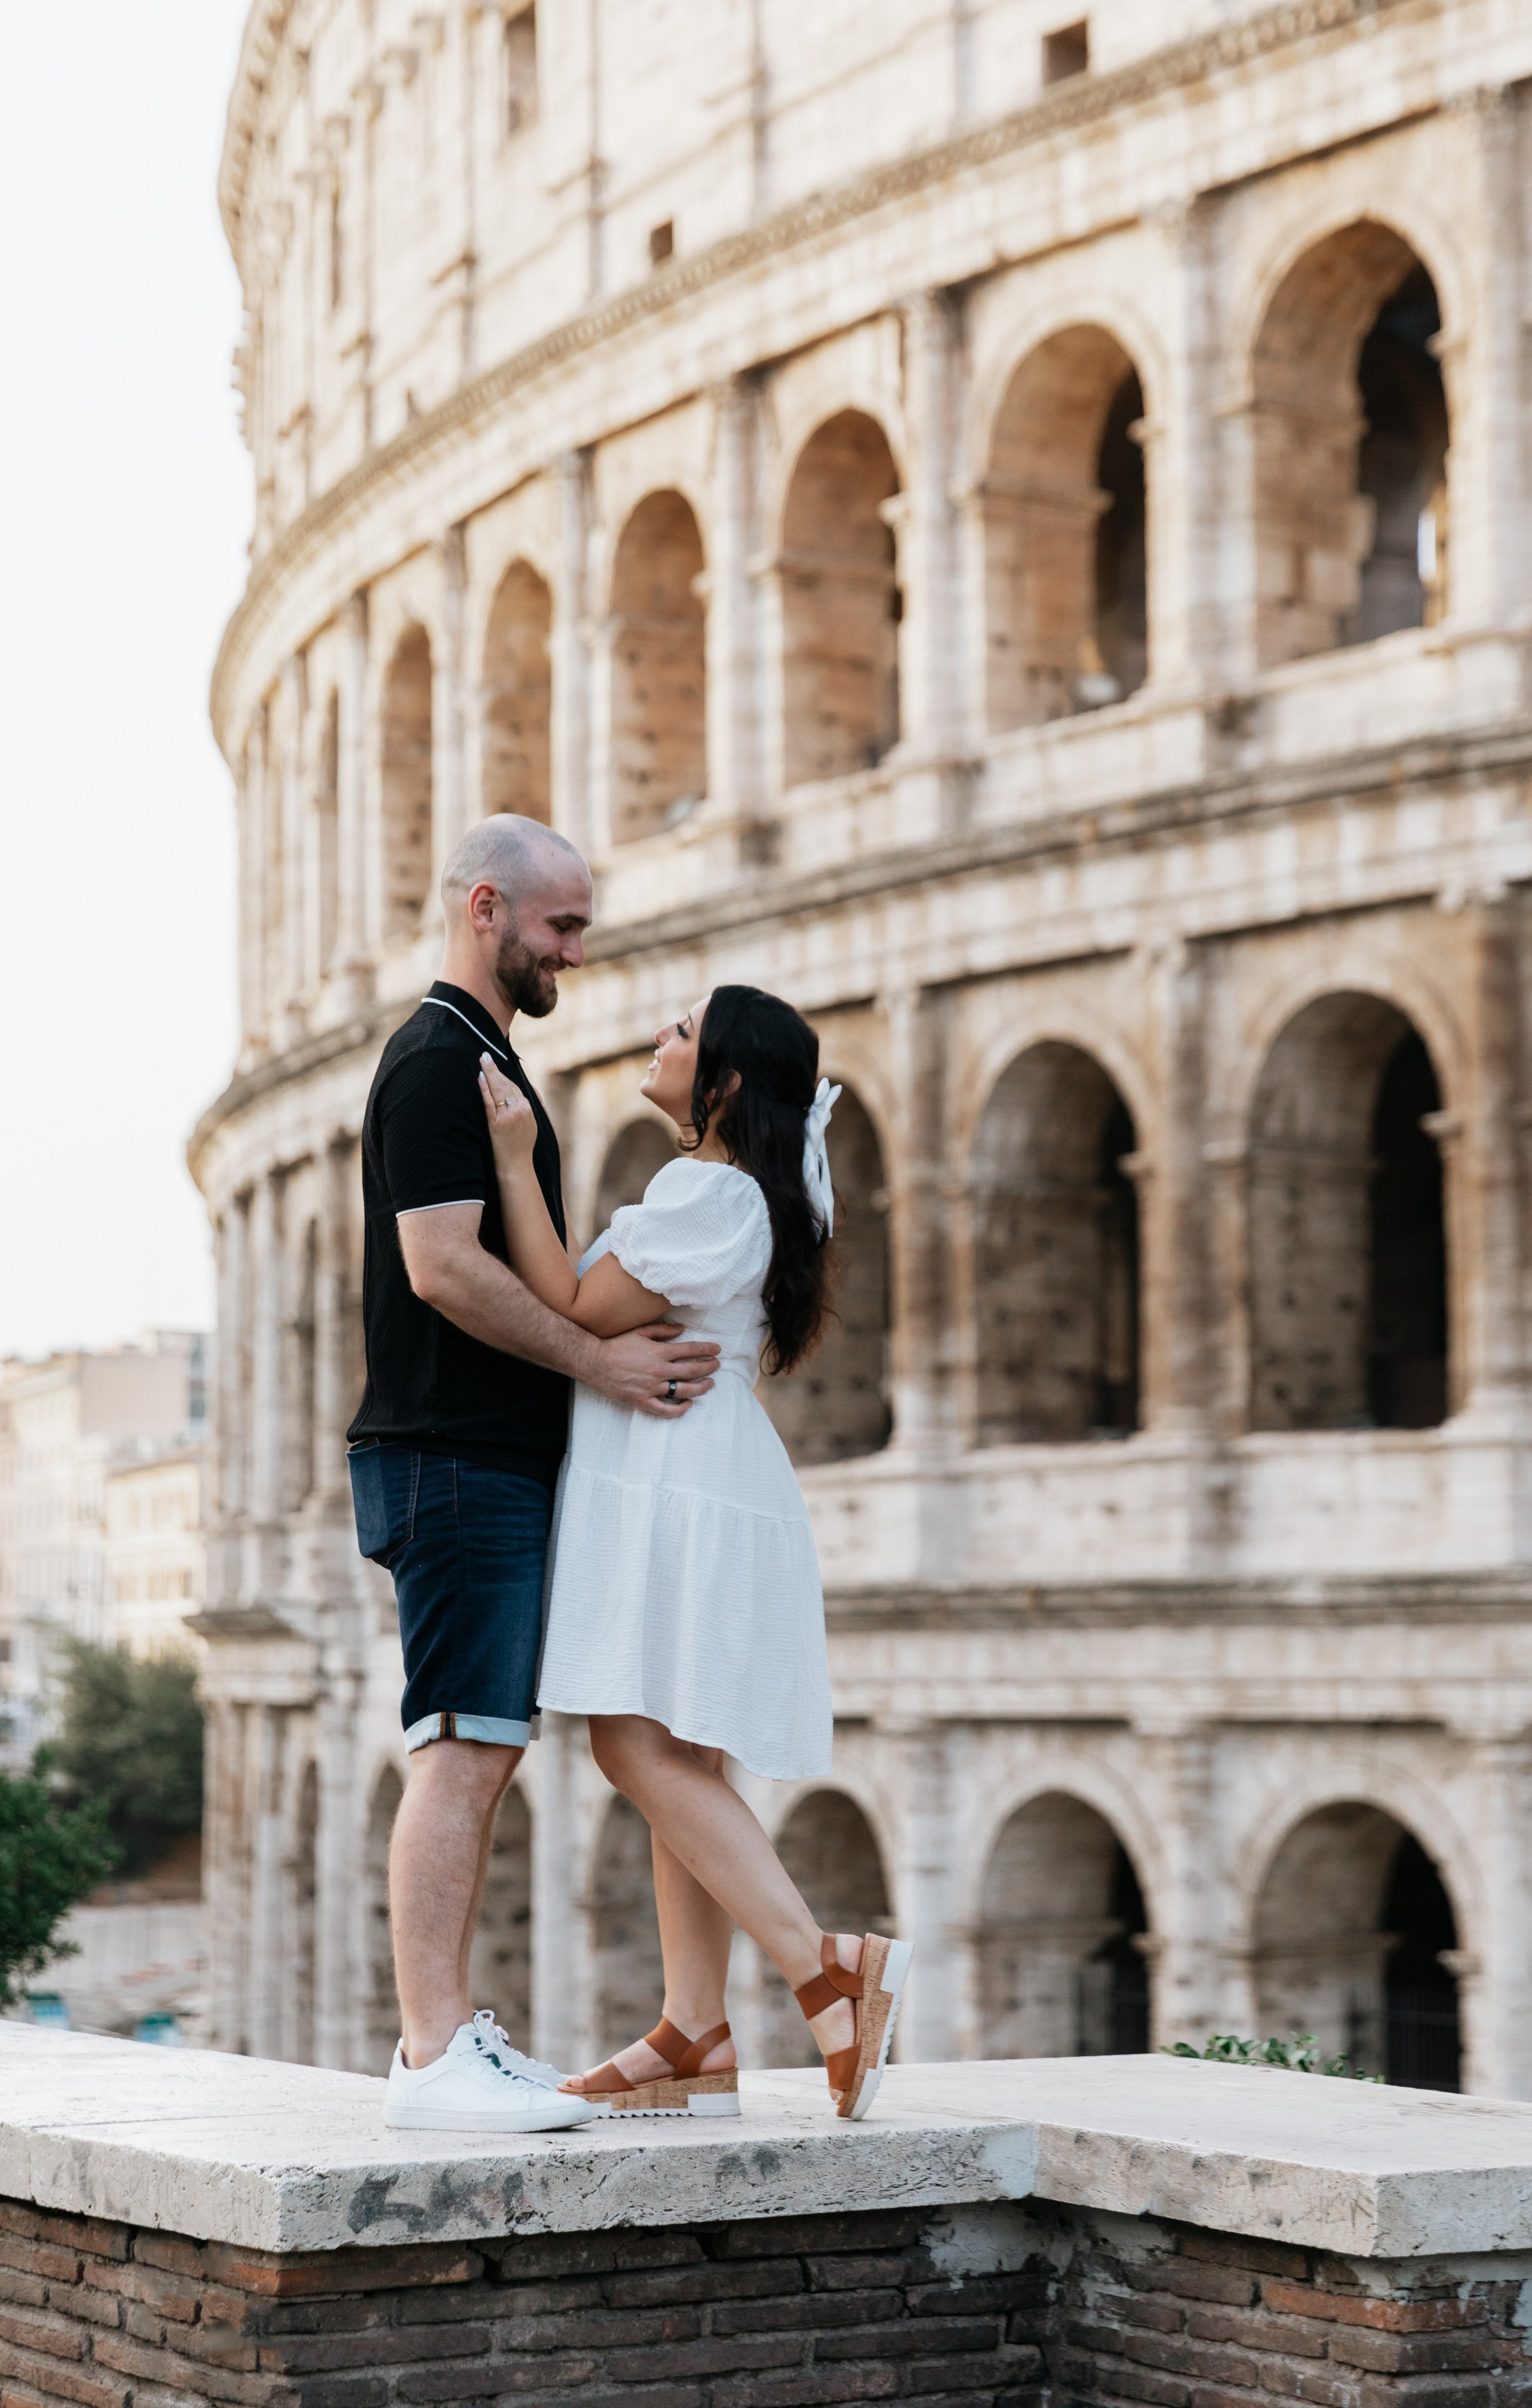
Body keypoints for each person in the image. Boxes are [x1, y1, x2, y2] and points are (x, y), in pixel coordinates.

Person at [478, 980, 912, 2122]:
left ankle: (828, 1971)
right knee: (681, 1756)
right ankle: (694, 2032)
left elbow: (571, 1301)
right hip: (696, 1477)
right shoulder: (747, 1195)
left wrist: (515, 1163)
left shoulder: (705, 1189)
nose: (657, 1040)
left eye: (682, 1034)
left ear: (719, 1084)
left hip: (674, 1483)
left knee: (630, 1747)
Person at [348, 814, 722, 2134]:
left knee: (483, 1747)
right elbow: (442, 1266)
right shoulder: (439, 1060)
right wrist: (596, 1366)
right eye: (561, 927)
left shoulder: (484, 1058)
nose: (576, 951)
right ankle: (435, 2052)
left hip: (475, 1461)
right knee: (460, 1745)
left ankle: (446, 2045)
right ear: (488, 908)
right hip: (454, 1459)